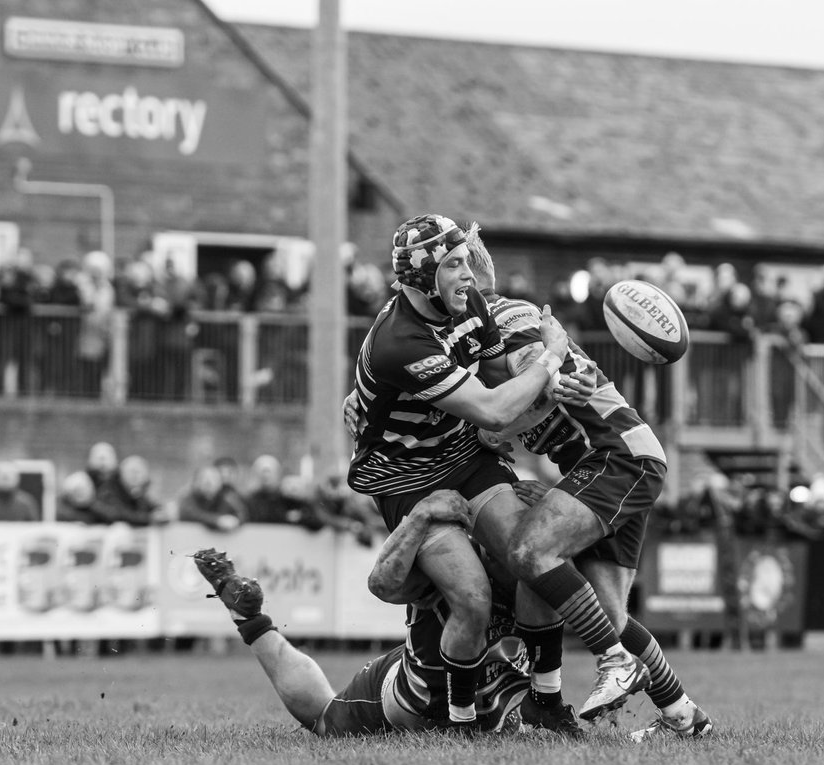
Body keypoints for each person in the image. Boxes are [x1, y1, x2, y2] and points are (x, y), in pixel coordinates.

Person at [466, 224, 711, 735]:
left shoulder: (502, 317)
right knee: (606, 612)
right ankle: (684, 716)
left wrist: (542, 388)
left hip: (617, 456)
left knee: (530, 552)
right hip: (618, 459)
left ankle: (608, 668)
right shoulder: (474, 334)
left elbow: (535, 365)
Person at [345, 213, 581, 729]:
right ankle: (461, 720)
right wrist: (553, 357)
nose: (469, 276)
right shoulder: (397, 342)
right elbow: (494, 411)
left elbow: (501, 381)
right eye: (453, 265)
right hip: (405, 476)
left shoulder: (469, 302)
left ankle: (547, 701)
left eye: (465, 262)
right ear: (421, 278)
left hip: (463, 454)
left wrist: (543, 381)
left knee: (533, 551)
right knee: (471, 598)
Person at [190, 491, 529, 736]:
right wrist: (420, 516)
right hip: (426, 695)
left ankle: (249, 618)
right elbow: (381, 584)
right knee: (326, 719)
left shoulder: (539, 556)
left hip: (475, 687)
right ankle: (251, 619)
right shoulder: (462, 560)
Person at [178, 466, 244, 532]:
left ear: (220, 483)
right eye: (204, 479)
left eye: (214, 479)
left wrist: (235, 521)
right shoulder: (188, 497)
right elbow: (189, 514)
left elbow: (241, 514)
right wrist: (217, 520)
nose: (209, 482)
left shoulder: (225, 498)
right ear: (196, 482)